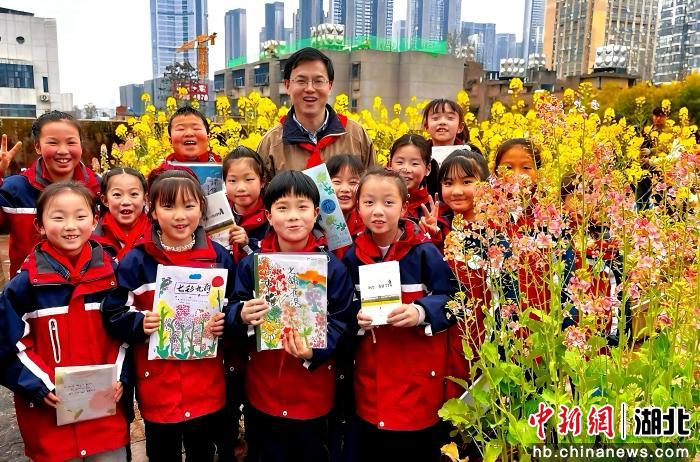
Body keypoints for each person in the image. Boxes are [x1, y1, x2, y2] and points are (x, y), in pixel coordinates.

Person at [101, 169, 234, 461]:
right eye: (168, 206)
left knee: (202, 451)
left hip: (206, 382)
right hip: (158, 385)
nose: (180, 216)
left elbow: (234, 305)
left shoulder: (219, 257)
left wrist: (225, 320)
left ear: (202, 207)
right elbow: (113, 311)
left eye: (189, 206)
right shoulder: (137, 260)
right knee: (162, 452)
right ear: (152, 210)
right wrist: (139, 322)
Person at [226, 171, 355, 462]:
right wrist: (241, 314)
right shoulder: (251, 266)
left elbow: (343, 321)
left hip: (313, 391)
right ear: (269, 216)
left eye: (302, 207)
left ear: (316, 213)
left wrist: (314, 351)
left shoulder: (332, 268)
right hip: (263, 389)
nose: (293, 216)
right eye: (283, 208)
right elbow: (231, 309)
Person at [0, 182, 129, 462]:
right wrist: (40, 385)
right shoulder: (24, 286)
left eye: (80, 216)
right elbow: (7, 346)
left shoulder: (114, 276)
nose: (70, 226)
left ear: (95, 220)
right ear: (40, 224)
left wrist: (120, 377)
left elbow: (127, 334)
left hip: (105, 414)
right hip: (49, 417)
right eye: (58, 217)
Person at [342, 168, 456, 462]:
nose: (378, 211)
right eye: (369, 202)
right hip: (371, 377)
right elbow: (344, 305)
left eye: (388, 202)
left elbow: (454, 299)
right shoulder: (353, 255)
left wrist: (420, 311)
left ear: (404, 207)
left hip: (416, 376)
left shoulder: (424, 252)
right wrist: (357, 317)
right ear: (358, 207)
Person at [0, 111, 101, 276]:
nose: (63, 150)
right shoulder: (15, 189)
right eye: (53, 143)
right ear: (37, 146)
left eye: (71, 142)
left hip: (89, 286)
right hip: (30, 287)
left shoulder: (98, 187)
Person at [257, 47, 375, 173]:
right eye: (301, 81)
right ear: (287, 85)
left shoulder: (357, 136)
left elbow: (374, 183)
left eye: (318, 81)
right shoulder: (271, 144)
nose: (310, 88)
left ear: (330, 86)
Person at [436, 151, 490, 400]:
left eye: (467, 182)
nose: (456, 191)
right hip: (450, 328)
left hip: (484, 327)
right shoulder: (440, 227)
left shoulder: (495, 231)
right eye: (448, 183)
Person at [222, 146, 270, 263]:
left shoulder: (271, 218)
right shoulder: (218, 213)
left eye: (248, 179)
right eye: (232, 180)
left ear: (262, 182)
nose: (241, 188)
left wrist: (247, 245)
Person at [93, 167, 149, 261]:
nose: (126, 202)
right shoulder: (92, 240)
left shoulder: (157, 237)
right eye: (117, 195)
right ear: (105, 200)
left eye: (134, 194)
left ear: (145, 199)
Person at [327, 153, 365, 259]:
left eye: (352, 182)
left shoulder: (367, 221)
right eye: (337, 182)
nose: (345, 189)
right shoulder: (314, 223)